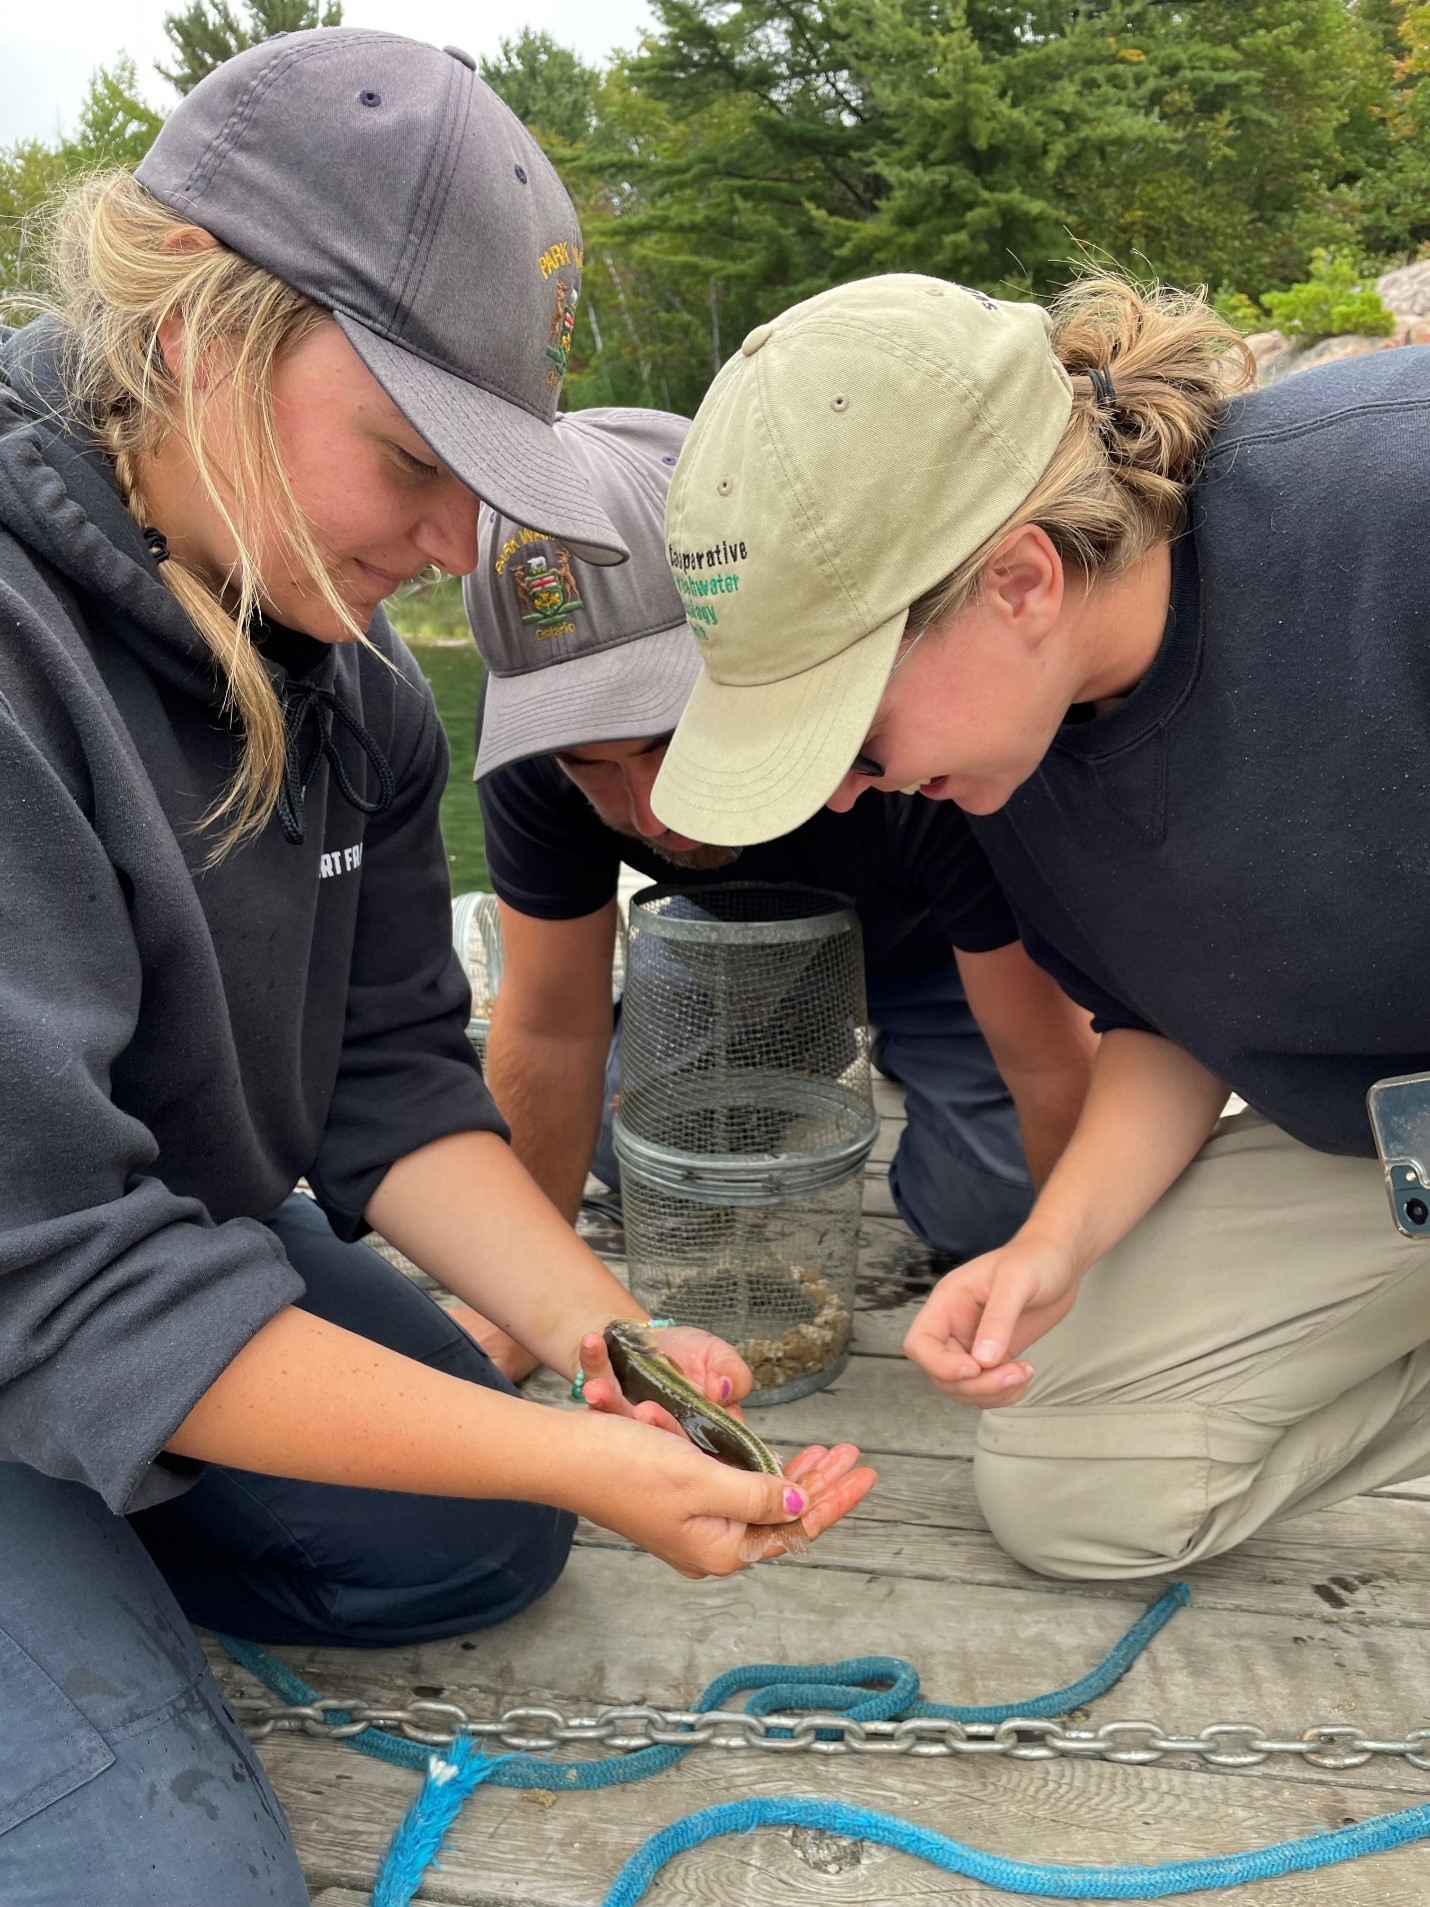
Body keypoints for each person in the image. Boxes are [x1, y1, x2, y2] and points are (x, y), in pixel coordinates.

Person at [0, 34, 871, 1906]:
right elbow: (51, 1270)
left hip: (116, 1263)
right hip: (37, 1275)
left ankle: (100, 1503)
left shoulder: (356, 682)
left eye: (490, 474)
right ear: (204, 336)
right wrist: (568, 1453)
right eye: (415, 458)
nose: (462, 543)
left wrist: (597, 1343)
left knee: (471, 1542)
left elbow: (393, 1082)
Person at [645, 268, 1430, 1584]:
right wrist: (1048, 1242)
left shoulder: (1390, 502)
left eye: (844, 723)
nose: (838, 789)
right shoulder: (992, 759)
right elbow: (1165, 1018)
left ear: (1017, 580)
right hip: (1378, 1146)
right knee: (1063, 1481)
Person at [459, 406, 1097, 1376]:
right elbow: (548, 1026)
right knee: (619, 1147)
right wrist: (518, 1307)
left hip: (946, 956)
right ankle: (767, 1070)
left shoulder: (919, 744)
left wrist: (1081, 1289)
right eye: (592, 763)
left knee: (986, 1207)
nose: (646, 814)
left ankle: (897, 1090)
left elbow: (1047, 1059)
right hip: (739, 953)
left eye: (664, 742)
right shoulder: (536, 761)